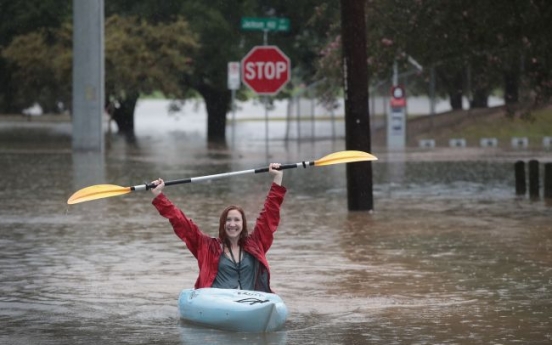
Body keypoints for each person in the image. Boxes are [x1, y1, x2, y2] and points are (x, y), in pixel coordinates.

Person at [150, 163, 286, 293]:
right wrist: (159, 196)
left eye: (237, 220)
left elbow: (269, 214)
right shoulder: (207, 246)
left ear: (243, 224)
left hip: (249, 302)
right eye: (228, 220)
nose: (232, 224)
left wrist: (277, 178)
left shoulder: (256, 244)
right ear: (222, 224)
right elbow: (181, 223)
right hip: (217, 303)